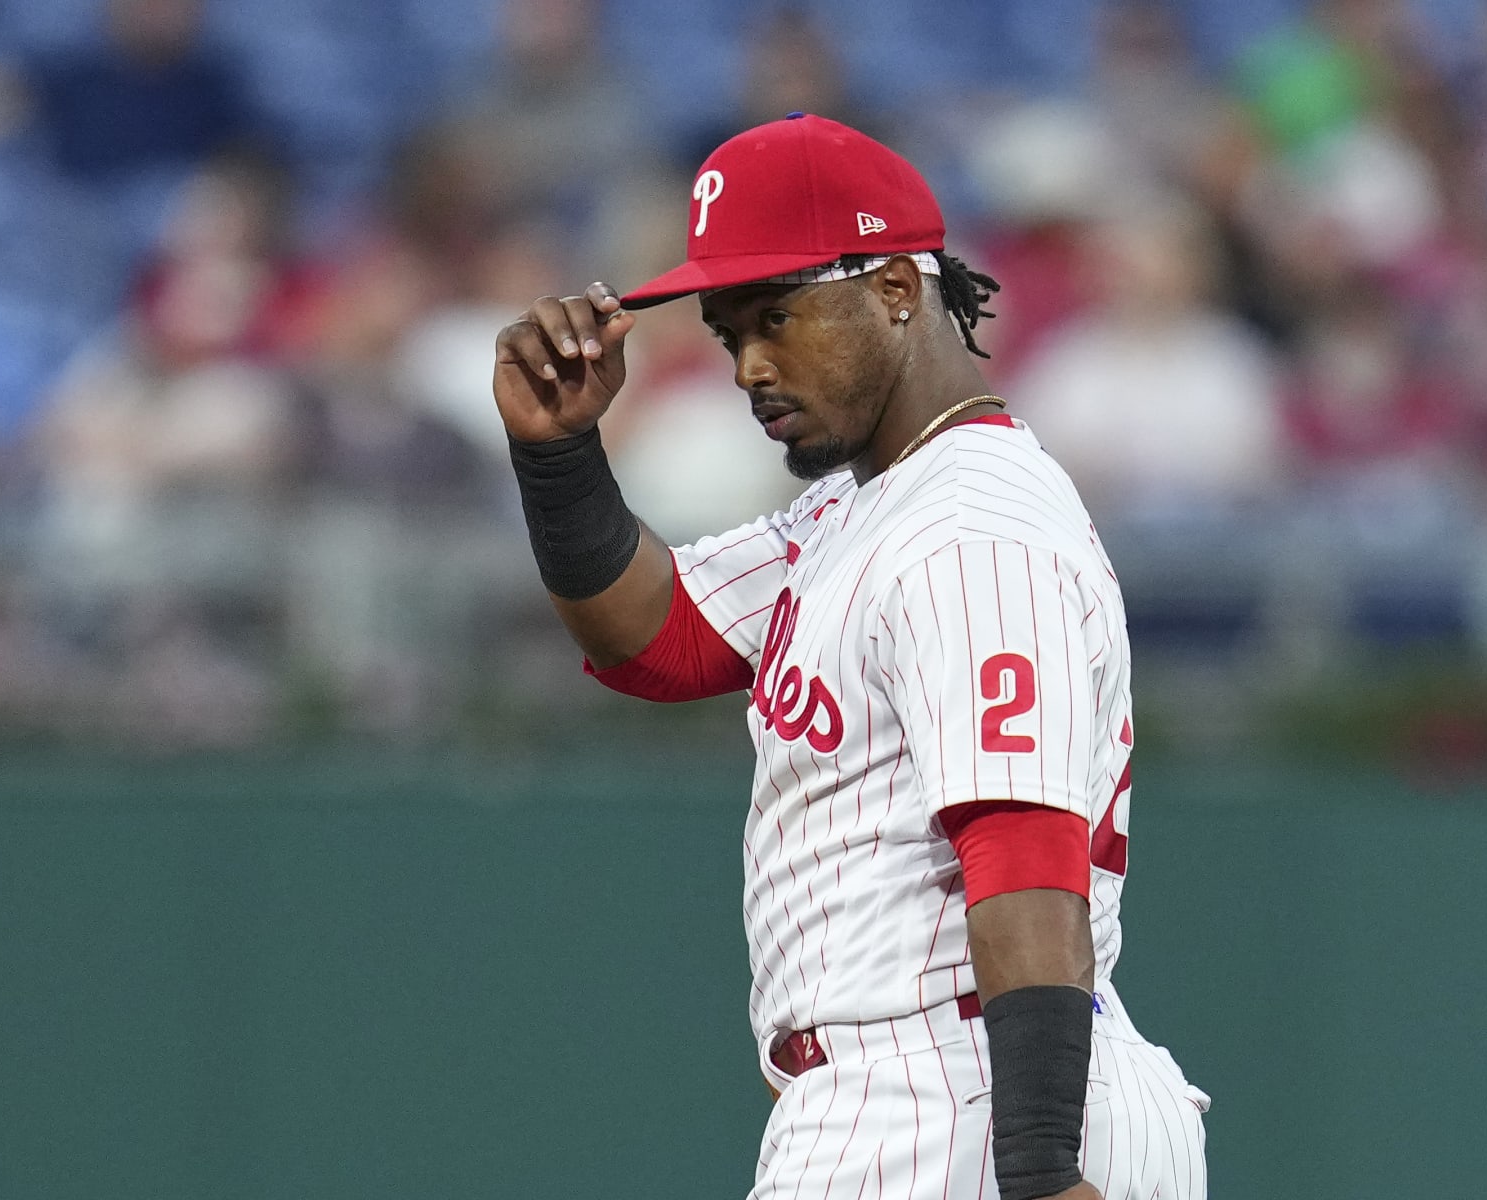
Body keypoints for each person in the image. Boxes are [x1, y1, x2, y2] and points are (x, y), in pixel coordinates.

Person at [491, 114, 1209, 1200]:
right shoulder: (856, 513)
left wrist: (1037, 1171)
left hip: (950, 1105)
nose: (750, 365)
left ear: (894, 289)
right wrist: (558, 454)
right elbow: (657, 638)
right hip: (939, 1092)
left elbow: (1023, 851)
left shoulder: (971, 528)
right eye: (730, 332)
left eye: (777, 315)